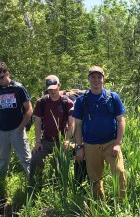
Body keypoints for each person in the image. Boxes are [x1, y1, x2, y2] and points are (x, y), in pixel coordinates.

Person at [72, 65, 127, 200]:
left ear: (103, 79)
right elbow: (78, 125)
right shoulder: (81, 100)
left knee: (119, 172)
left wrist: (118, 143)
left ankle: (120, 204)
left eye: (99, 77)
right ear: (89, 79)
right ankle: (99, 206)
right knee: (95, 179)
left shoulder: (112, 97)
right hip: (90, 145)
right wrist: (79, 147)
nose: (96, 80)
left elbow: (121, 121)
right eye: (93, 77)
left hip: (110, 143)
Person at [29, 75, 75, 184]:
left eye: (54, 88)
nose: (52, 91)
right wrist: (38, 142)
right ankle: (35, 184)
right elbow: (38, 122)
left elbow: (72, 124)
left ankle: (58, 186)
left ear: (59, 86)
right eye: (50, 89)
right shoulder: (42, 102)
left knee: (58, 165)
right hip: (46, 140)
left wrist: (67, 140)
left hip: (62, 140)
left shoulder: (67, 103)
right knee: (36, 158)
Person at [0, 61, 32, 176]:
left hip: (16, 129)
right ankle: (0, 184)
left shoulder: (18, 88)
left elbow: (29, 110)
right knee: (2, 160)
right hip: (2, 130)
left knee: (26, 159)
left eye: (1, 77)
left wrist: (20, 128)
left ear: (7, 74)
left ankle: (32, 183)